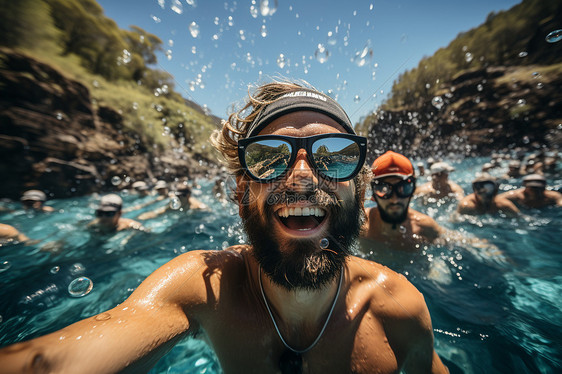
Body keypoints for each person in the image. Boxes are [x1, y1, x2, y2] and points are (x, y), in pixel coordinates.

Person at [0, 81, 448, 374]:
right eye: (269, 158)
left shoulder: (400, 309)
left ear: (362, 193)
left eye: (334, 157)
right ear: (240, 191)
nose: (304, 175)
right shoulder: (204, 287)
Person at [361, 151, 449, 252]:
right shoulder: (360, 225)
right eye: (383, 189)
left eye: (403, 188)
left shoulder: (425, 227)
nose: (394, 199)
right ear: (373, 195)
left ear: (413, 192)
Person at [137, 183, 208, 220]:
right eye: (176, 196)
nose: (178, 198)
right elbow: (158, 212)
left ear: (188, 196)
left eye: (180, 196)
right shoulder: (175, 204)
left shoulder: (198, 206)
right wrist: (142, 217)